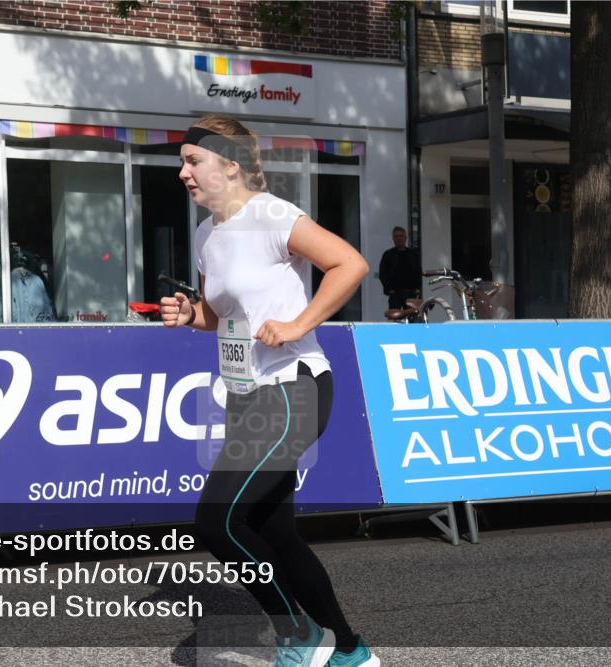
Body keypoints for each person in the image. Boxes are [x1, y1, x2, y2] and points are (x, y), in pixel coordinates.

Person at [161, 113, 378, 667]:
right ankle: (349, 650)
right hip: (248, 393)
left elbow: (350, 264)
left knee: (218, 521)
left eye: (193, 160)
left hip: (292, 387)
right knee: (273, 529)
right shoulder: (208, 232)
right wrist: (192, 314)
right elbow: (223, 313)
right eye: (182, 161)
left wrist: (300, 324)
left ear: (230, 165)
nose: (182, 171)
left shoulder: (271, 214)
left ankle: (298, 636)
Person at [378, 226, 421, 310]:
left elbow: (418, 272)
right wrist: (389, 289)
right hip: (395, 294)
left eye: (401, 236)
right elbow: (383, 274)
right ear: (393, 239)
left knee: (412, 318)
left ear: (405, 238)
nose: (398, 238)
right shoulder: (388, 254)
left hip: (411, 293)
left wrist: (418, 289)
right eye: (396, 236)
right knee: (394, 320)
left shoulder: (413, 254)